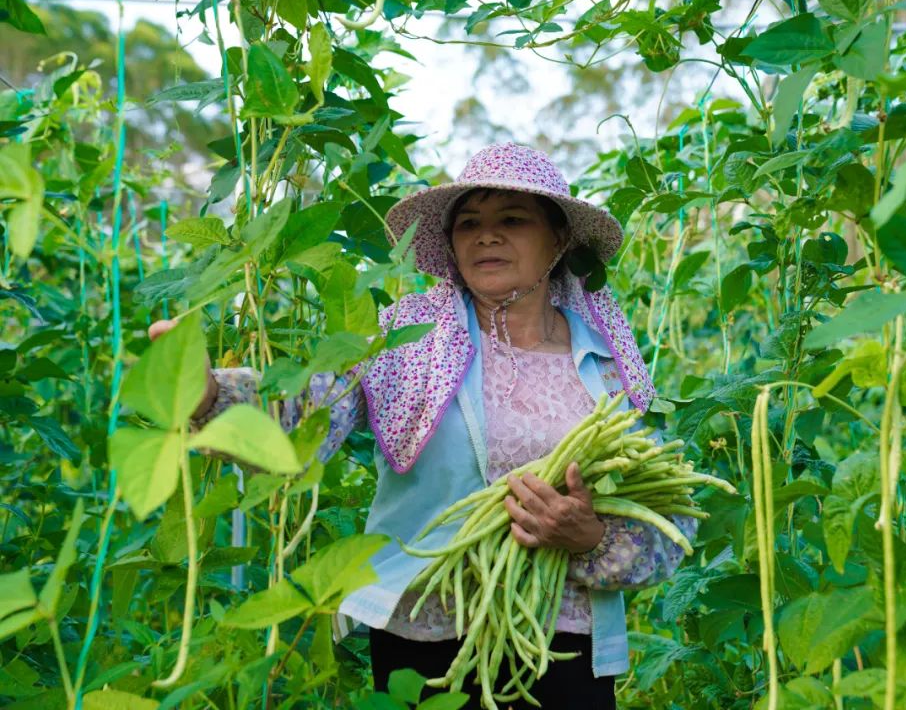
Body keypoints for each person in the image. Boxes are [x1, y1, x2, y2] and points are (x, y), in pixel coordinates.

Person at [151, 142, 696, 708]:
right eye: (469, 223)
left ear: (558, 240)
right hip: (424, 635)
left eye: (512, 219)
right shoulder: (406, 338)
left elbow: (668, 512)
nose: (486, 235)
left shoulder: (608, 362)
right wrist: (211, 396)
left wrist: (592, 539)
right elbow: (313, 413)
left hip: (565, 646)